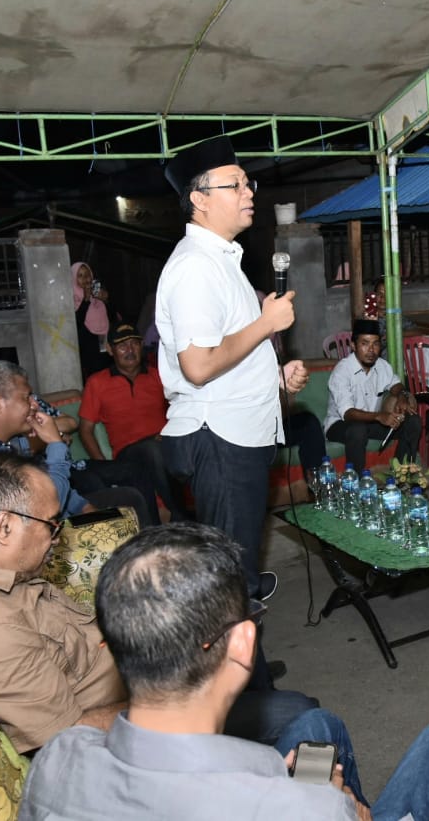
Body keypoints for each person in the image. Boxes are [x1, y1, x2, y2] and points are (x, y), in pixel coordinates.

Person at [19, 521, 429, 821]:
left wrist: (286, 785)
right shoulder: (306, 810)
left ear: (113, 646)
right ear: (242, 643)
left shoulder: (61, 754)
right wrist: (336, 808)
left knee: (318, 726)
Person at [0, 453, 317, 755]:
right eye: (51, 524)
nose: (58, 537)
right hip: (146, 715)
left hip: (144, 677)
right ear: (4, 525)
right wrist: (177, 698)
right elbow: (68, 737)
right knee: (304, 717)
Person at [155, 135, 308, 600]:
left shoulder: (223, 261)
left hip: (237, 430)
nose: (248, 193)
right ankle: (241, 640)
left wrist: (275, 377)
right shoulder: (196, 267)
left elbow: (228, 349)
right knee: (228, 578)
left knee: (239, 560)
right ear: (199, 199)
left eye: (247, 183)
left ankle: (249, 618)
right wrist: (266, 324)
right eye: (234, 185)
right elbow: (199, 366)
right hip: (219, 437)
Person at [0, 360, 142, 520]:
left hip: (43, 510)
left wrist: (82, 506)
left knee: (129, 496)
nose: (35, 404)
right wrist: (55, 443)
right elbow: (48, 506)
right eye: (26, 397)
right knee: (128, 501)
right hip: (36, 531)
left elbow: (38, 474)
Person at [79, 323, 184, 521]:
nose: (130, 350)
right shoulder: (98, 382)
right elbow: (85, 430)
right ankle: (181, 515)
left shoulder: (157, 375)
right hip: (128, 454)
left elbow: (180, 409)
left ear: (141, 345)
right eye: (122, 346)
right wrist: (106, 468)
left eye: (134, 344)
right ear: (110, 349)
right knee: (152, 449)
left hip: (163, 445)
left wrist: (170, 433)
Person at [325, 319, 421, 472]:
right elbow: (348, 414)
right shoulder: (342, 371)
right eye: (365, 343)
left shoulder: (382, 365)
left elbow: (396, 385)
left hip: (371, 422)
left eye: (375, 344)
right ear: (353, 345)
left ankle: (402, 474)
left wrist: (402, 396)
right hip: (340, 425)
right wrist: (379, 416)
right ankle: (356, 481)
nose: (371, 350)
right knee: (358, 430)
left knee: (413, 421)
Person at [71, 261, 113, 380]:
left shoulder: (97, 297)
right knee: (96, 378)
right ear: (74, 279)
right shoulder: (72, 299)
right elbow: (77, 323)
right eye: (80, 276)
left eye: (87, 274)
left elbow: (112, 318)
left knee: (108, 373)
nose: (85, 278)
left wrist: (106, 301)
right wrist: (86, 299)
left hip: (104, 343)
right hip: (88, 351)